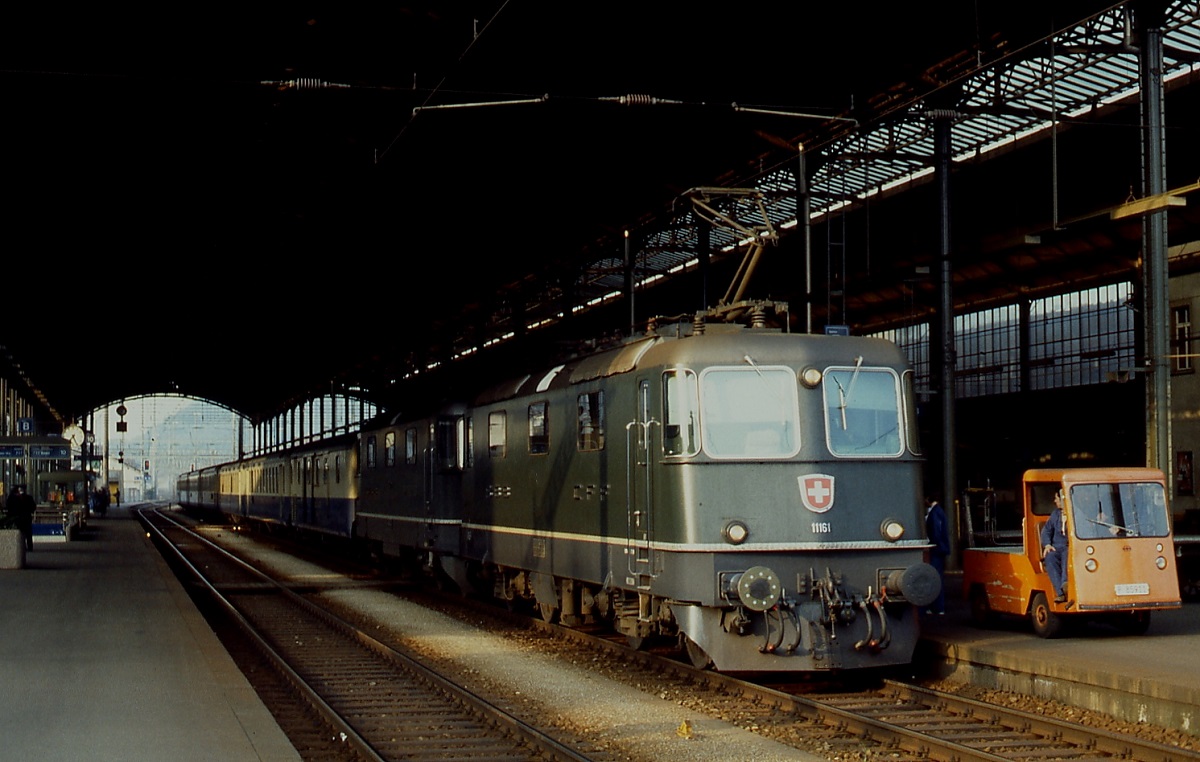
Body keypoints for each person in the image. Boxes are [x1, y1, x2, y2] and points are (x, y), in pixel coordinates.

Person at [1040, 489, 1070, 603]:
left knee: (1067, 555)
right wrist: (1047, 545)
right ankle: (1061, 592)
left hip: (1070, 546)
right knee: (1050, 557)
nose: (1054, 501)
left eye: (1056, 498)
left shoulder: (1075, 513)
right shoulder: (1055, 514)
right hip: (1057, 546)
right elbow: (1046, 531)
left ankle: (1065, 584)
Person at [924, 495, 951, 615]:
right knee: (937, 576)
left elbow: (936, 531)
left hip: (936, 549)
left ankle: (936, 606)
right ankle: (938, 607)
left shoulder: (934, 513)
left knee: (934, 576)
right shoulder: (939, 511)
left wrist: (933, 543)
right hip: (940, 548)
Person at [5, 485, 36, 551]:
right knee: (28, 533)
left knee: (20, 532)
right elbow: (33, 507)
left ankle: (21, 546)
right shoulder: (29, 498)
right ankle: (29, 547)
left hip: (17, 518)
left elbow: (8, 507)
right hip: (27, 517)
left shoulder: (12, 498)